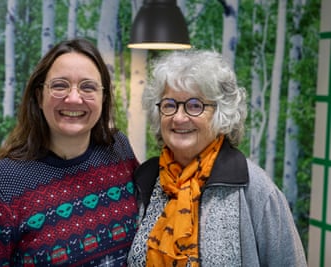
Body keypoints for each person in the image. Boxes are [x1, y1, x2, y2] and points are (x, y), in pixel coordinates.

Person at [127, 50, 307, 266]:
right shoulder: (144, 179)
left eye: (195, 105)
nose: (179, 117)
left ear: (221, 113)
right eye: (170, 105)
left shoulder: (255, 190)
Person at [0, 38, 139, 266]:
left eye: (88, 87)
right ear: (39, 97)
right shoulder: (5, 181)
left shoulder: (118, 149)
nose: (73, 98)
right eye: (60, 85)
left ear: (104, 98)